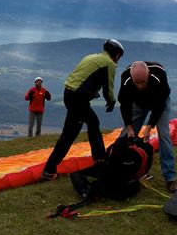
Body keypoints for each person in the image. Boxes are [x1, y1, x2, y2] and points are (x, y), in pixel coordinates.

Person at [40, 39, 124, 181]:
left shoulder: (91, 57)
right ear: (116, 54)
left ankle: (49, 170)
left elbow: (81, 78)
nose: (118, 60)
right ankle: (100, 161)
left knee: (72, 132)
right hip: (78, 99)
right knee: (89, 125)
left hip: (69, 94)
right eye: (119, 57)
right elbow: (108, 88)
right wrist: (111, 101)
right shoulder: (109, 64)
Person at [117, 60, 177, 193]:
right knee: (124, 137)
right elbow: (125, 105)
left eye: (143, 82)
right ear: (132, 78)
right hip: (138, 104)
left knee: (164, 135)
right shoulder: (126, 78)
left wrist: (149, 126)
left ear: (148, 74)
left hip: (159, 103)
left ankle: (170, 178)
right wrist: (129, 127)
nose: (139, 86)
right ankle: (118, 171)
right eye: (136, 83)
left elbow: (160, 105)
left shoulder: (159, 74)